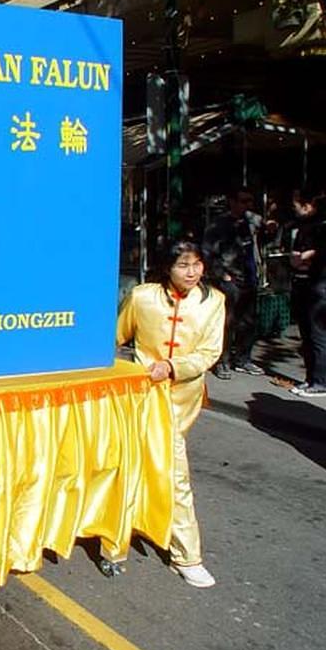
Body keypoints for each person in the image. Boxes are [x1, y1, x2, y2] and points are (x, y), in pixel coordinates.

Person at [113, 240, 224, 588]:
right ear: (167, 268)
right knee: (135, 465)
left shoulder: (215, 302)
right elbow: (115, 336)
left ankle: (140, 544)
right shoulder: (142, 297)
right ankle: (180, 554)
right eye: (182, 265)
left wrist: (173, 366)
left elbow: (209, 353)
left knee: (164, 469)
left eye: (197, 264)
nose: (191, 272)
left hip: (181, 399)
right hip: (142, 398)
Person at [203, 188, 264, 379]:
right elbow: (208, 252)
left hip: (249, 277)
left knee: (249, 321)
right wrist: (222, 275)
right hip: (231, 278)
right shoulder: (219, 225)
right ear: (232, 202)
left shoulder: (250, 221)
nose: (248, 205)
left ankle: (243, 358)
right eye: (243, 201)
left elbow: (261, 241)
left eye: (250, 201)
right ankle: (223, 360)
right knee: (227, 322)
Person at [288, 191, 326, 397]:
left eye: (296, 204)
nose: (294, 209)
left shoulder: (322, 226)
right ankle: (311, 378)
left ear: (308, 205)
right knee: (307, 333)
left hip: (319, 284)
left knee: (318, 333)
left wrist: (309, 255)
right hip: (304, 282)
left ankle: (321, 381)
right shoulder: (301, 226)